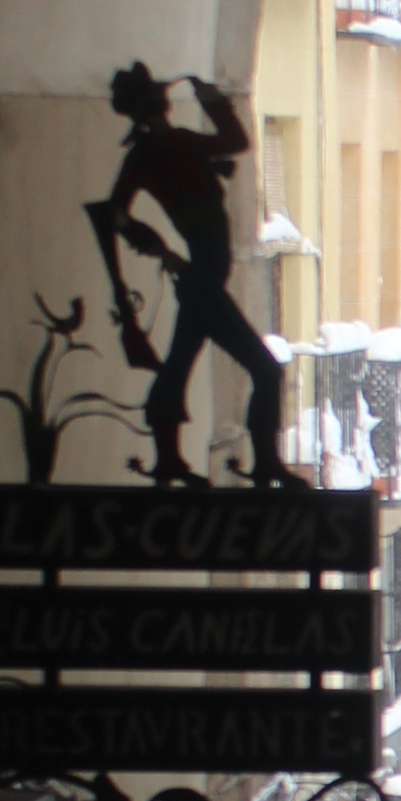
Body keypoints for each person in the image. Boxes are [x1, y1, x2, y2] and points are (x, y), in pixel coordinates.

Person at [86, 62, 294, 486]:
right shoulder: (164, 150)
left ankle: (170, 459)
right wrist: (211, 99)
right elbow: (236, 141)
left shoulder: (160, 151)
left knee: (179, 365)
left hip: (200, 277)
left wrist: (151, 246)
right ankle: (265, 463)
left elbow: (112, 215)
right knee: (265, 370)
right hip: (201, 278)